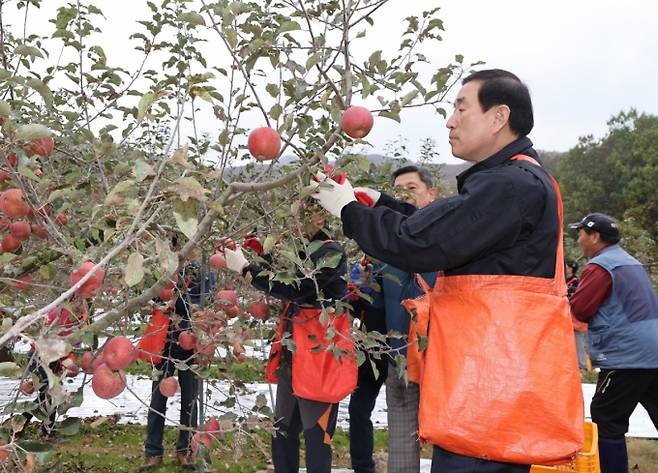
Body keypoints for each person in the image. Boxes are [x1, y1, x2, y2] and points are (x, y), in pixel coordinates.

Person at [312, 69, 583, 472]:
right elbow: (443, 227)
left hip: (486, 400)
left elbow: (417, 243)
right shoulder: (508, 183)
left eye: (461, 108)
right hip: (488, 393)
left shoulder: (510, 185)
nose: (450, 120)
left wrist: (349, 211)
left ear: (498, 117)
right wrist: (381, 204)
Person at [223, 202, 356, 473]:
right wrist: (261, 257)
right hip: (293, 353)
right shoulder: (299, 251)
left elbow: (299, 288)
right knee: (282, 429)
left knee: (316, 436)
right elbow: (281, 279)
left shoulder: (330, 252)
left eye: (307, 214)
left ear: (321, 216)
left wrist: (248, 269)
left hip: (319, 357)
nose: (297, 221)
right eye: (295, 215)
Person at [569, 212, 658, 473]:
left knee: (607, 417)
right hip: (653, 351)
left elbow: (580, 311)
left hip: (627, 354)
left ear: (595, 237)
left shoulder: (600, 267)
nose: (579, 239)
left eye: (581, 233)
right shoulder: (629, 261)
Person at [378, 165, 437, 473]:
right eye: (398, 192)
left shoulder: (451, 243)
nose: (404, 198)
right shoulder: (386, 250)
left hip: (443, 362)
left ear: (432, 194)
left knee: (449, 440)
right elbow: (376, 302)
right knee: (402, 441)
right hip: (400, 359)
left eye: (411, 189)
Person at [140, 260, 207, 471]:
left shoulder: (201, 270)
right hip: (164, 342)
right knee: (157, 398)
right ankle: (153, 452)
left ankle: (185, 450)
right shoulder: (165, 266)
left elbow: (207, 300)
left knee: (190, 399)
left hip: (191, 343)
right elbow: (149, 295)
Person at [348, 258, 387, 473]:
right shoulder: (368, 266)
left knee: (360, 410)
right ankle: (363, 467)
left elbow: (380, 303)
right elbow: (358, 308)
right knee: (359, 410)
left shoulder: (399, 263)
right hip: (371, 349)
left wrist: (365, 286)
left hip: (394, 346)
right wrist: (355, 294)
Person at [566, 260, 588, 369]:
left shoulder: (576, 283)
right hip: (565, 318)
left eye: (568, 267)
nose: (566, 269)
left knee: (578, 343)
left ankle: (581, 365)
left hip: (576, 319)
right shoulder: (564, 281)